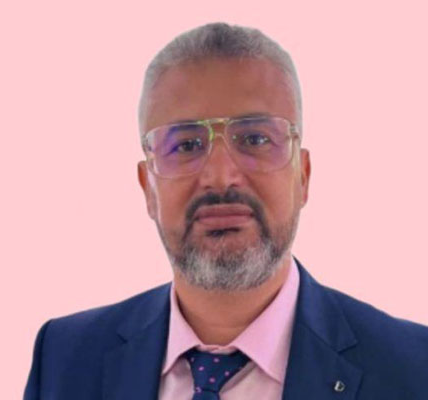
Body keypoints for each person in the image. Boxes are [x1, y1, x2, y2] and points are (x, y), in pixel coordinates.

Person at [23, 23, 428, 399]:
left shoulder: (414, 369)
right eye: (186, 145)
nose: (220, 177)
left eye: (254, 139)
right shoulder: (64, 359)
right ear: (148, 188)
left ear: (302, 176)